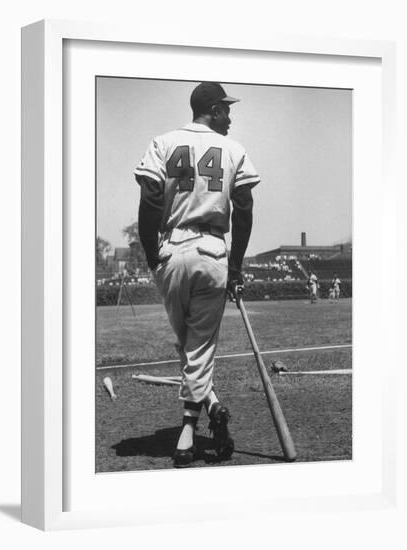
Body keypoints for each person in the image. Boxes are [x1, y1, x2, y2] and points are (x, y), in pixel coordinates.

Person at [134, 82, 260, 467]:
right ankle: (189, 432)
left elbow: (151, 200)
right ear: (211, 110)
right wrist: (236, 267)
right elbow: (244, 208)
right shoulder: (234, 150)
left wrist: (153, 254)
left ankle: (212, 406)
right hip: (212, 252)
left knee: (189, 346)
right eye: (225, 109)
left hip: (171, 250)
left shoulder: (162, 142)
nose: (230, 116)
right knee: (198, 347)